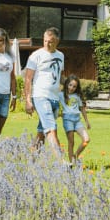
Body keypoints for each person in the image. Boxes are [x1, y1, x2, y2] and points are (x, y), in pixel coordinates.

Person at [23, 26, 65, 155]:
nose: (47, 43)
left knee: (42, 131)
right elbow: (28, 79)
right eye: (45, 40)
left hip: (54, 97)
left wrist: (71, 90)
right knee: (51, 128)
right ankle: (61, 161)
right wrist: (28, 100)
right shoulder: (36, 55)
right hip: (41, 96)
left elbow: (60, 76)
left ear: (57, 41)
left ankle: (32, 159)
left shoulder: (60, 55)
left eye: (50, 41)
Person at [60, 75, 91, 165]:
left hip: (77, 121)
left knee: (86, 139)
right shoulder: (60, 95)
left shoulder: (77, 96)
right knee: (71, 142)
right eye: (70, 85)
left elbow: (82, 109)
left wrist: (87, 121)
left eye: (74, 86)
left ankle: (75, 156)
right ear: (66, 84)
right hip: (67, 120)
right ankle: (71, 163)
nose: (72, 88)